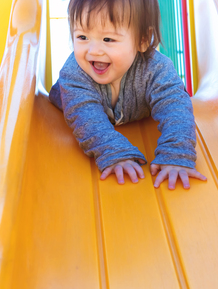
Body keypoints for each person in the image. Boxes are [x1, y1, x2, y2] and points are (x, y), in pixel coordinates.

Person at [49, 0, 207, 190]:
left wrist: (177, 153)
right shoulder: (74, 75)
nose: (93, 51)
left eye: (108, 39)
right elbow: (85, 117)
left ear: (142, 39)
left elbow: (175, 106)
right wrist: (115, 152)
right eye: (82, 37)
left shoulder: (156, 69)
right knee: (80, 108)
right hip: (81, 113)